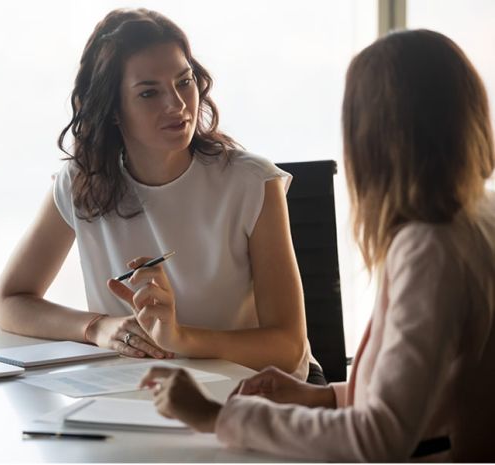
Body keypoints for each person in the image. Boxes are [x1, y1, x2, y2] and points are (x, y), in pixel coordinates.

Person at [139, 29, 495, 461]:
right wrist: (324, 399)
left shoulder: (428, 248)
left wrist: (215, 417)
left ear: (372, 138)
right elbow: (431, 396)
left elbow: (377, 438)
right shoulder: (479, 214)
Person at [0, 8, 320, 380]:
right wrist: (98, 327)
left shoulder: (251, 182)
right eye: (149, 93)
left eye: (184, 82)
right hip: (141, 395)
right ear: (113, 109)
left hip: (257, 393)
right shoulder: (82, 182)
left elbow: (289, 347)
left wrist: (180, 338)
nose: (177, 105)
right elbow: (8, 301)